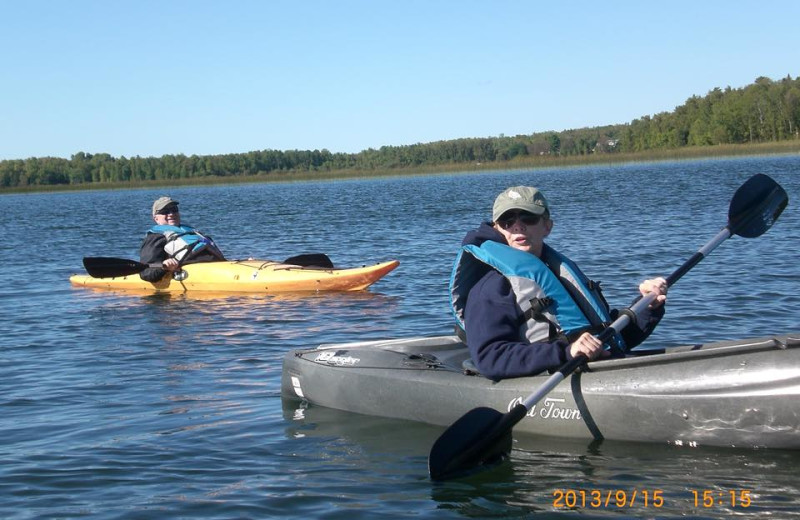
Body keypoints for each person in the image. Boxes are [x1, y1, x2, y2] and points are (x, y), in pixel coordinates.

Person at [450, 186, 667, 380]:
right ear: (498, 229)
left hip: (598, 370)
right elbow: (490, 359)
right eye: (508, 221)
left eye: (528, 218)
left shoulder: (559, 273)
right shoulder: (490, 288)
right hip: (548, 378)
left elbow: (613, 338)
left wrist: (647, 307)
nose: (518, 227)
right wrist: (566, 352)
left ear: (547, 226)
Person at [139, 196, 226, 282]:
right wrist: (164, 266)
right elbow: (146, 272)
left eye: (174, 209)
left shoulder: (193, 232)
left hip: (220, 266)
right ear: (156, 218)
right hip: (195, 273)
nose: (171, 214)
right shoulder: (155, 237)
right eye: (165, 211)